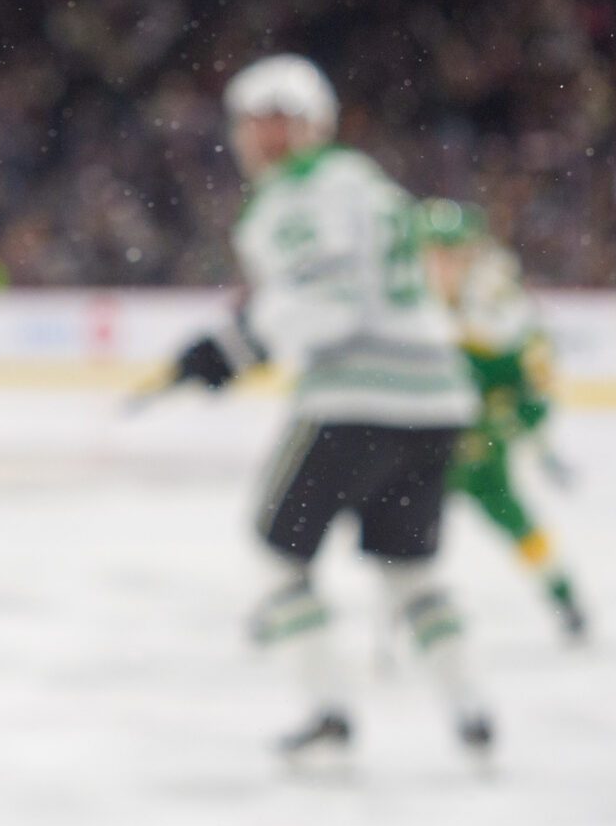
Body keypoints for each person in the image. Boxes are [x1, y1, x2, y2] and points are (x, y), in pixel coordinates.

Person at [167, 54, 491, 760]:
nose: (267, 137)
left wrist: (236, 346)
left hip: (356, 397)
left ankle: (330, 716)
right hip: (438, 396)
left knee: (279, 558)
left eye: (279, 122)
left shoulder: (294, 197)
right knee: (410, 570)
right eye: (260, 121)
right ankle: (472, 714)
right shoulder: (369, 184)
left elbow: (328, 306)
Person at [421, 199, 590, 641]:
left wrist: (509, 424)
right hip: (422, 451)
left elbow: (535, 384)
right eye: (432, 253)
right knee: (386, 531)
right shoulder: (409, 300)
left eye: (450, 253)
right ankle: (292, 598)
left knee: (519, 525)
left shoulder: (501, 309)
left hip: (479, 455)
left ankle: (565, 597)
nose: (440, 265)